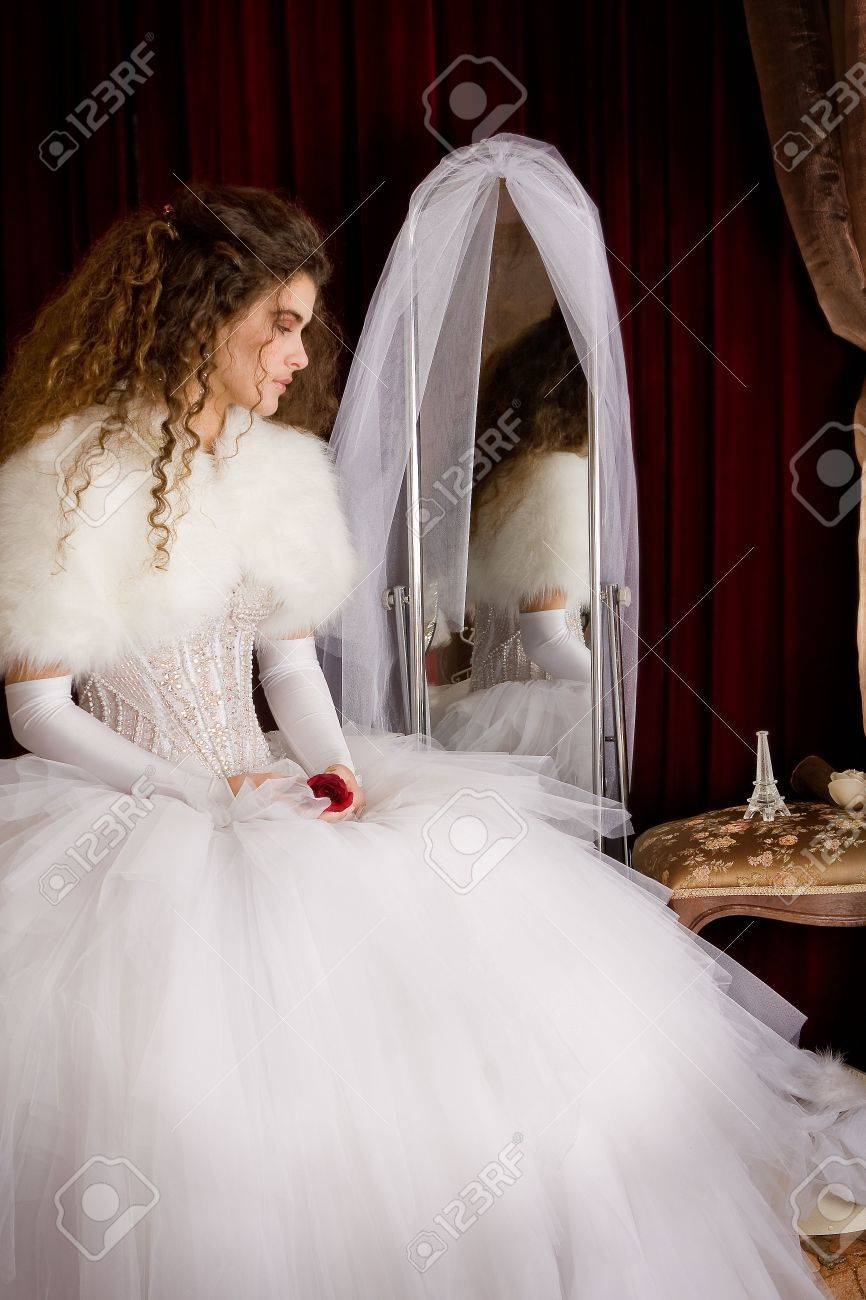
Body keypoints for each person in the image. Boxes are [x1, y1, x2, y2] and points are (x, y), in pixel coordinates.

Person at [0, 185, 863, 1300]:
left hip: (260, 788)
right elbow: (38, 710)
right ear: (201, 316)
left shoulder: (272, 471)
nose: (300, 353)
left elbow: (287, 663)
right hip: (130, 814)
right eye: (283, 320)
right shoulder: (70, 477)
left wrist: (335, 768)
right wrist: (190, 794)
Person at [434, 302, 595, 789]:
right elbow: (545, 636)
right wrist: (616, 692)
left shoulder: (497, 480)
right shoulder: (556, 479)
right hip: (543, 709)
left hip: (493, 704)